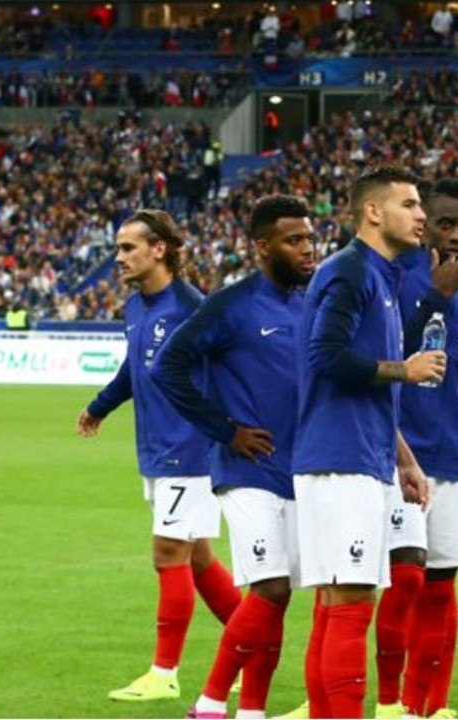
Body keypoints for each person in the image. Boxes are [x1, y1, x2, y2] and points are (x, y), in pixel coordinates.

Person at [152, 195, 316, 719]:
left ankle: (253, 711)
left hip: (298, 469)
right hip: (246, 471)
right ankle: (208, 704)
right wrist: (224, 430)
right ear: (262, 246)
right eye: (294, 240)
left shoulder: (309, 302)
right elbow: (168, 366)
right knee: (267, 587)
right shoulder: (231, 304)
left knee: (281, 595)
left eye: (310, 237)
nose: (308, 249)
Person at [76, 209, 242, 702]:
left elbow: (230, 373)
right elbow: (135, 369)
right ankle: (251, 645)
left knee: (168, 553)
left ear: (159, 250)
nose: (119, 258)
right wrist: (98, 407)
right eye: (118, 249)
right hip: (156, 448)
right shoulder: (136, 306)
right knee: (196, 557)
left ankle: (164, 673)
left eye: (128, 248)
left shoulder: (194, 309)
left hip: (189, 450)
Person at [292, 166, 439, 719]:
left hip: (360, 457)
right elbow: (325, 357)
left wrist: (405, 459)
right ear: (373, 212)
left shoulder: (379, 276)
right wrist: (405, 368)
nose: (420, 214)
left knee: (338, 602)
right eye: (409, 203)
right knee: (350, 602)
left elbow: (365, 388)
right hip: (339, 461)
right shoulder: (351, 272)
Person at [374, 177, 458, 719]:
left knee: (439, 585)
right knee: (402, 580)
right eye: (444, 222)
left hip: (455, 459)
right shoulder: (393, 278)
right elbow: (374, 359)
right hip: (394, 454)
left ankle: (428, 707)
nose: (455, 235)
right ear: (424, 220)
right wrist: (434, 295)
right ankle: (388, 704)